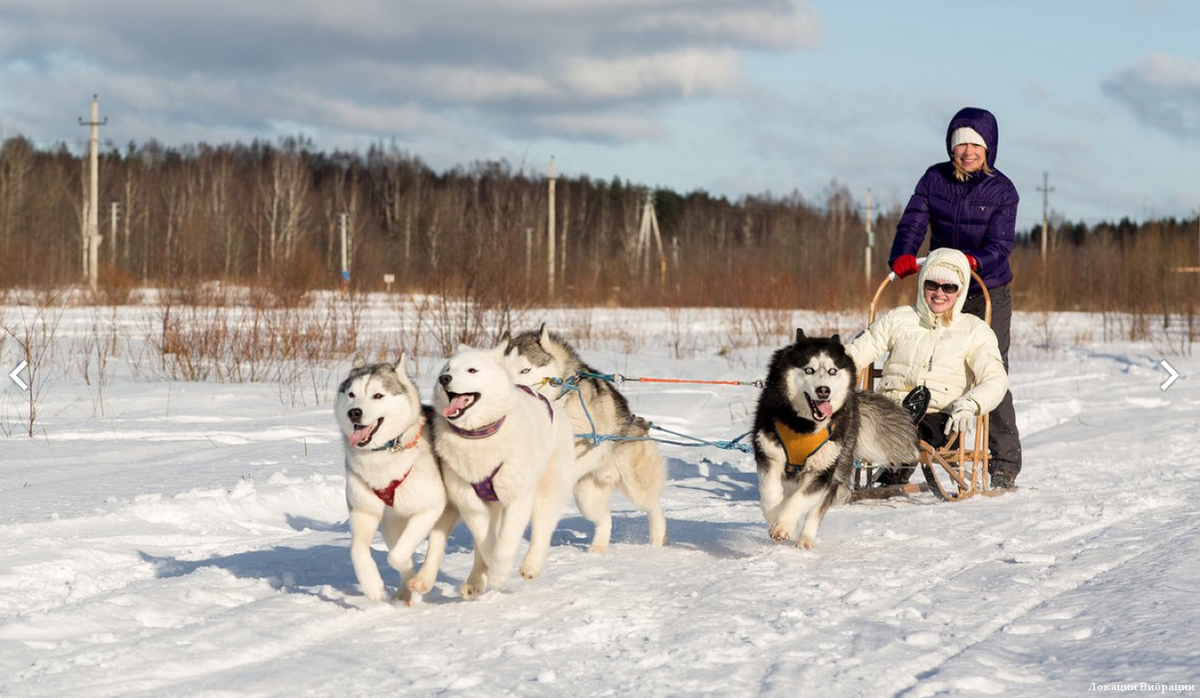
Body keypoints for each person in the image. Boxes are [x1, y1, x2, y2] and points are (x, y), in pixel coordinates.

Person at [888, 106, 1022, 489]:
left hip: (985, 288)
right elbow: (914, 219)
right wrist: (903, 252)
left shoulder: (1002, 190)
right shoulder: (935, 179)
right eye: (961, 143)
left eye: (976, 144)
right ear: (951, 146)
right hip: (942, 287)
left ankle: (1004, 459)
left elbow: (1001, 244)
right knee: (924, 363)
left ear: (989, 148)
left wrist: (974, 260)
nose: (968, 151)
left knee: (988, 368)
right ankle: (910, 450)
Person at [847, 248, 1009, 484]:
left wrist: (971, 404)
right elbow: (858, 352)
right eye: (931, 285)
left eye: (949, 287)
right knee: (854, 417)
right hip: (885, 413)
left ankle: (904, 436)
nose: (939, 293)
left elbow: (996, 379)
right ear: (922, 285)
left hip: (939, 417)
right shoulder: (899, 319)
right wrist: (827, 372)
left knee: (924, 426)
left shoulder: (975, 330)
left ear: (961, 290)